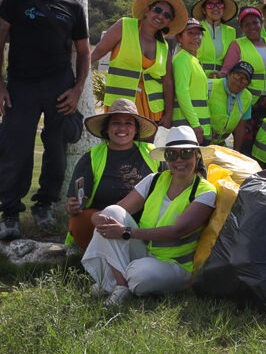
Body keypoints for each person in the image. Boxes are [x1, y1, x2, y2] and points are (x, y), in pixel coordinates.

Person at [0, 0, 90, 240]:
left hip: (60, 85)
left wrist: (77, 89)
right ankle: (9, 212)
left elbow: (83, 53)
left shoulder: (73, 7)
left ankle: (45, 204)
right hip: (21, 85)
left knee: (57, 148)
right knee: (15, 147)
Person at [81, 125, 216, 307]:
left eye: (185, 153)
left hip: (174, 265)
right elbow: (119, 209)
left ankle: (111, 282)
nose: (179, 160)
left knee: (140, 274)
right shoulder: (154, 179)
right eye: (171, 155)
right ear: (166, 158)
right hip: (144, 251)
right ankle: (121, 286)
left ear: (196, 155)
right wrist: (97, 217)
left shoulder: (206, 191)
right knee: (111, 213)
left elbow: (177, 231)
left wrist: (126, 232)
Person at [67, 99, 159, 249]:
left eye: (128, 123)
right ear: (107, 129)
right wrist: (73, 206)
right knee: (79, 221)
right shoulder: (91, 157)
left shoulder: (152, 153)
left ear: (136, 129)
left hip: (146, 221)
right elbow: (76, 200)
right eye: (116, 123)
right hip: (104, 221)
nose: (122, 128)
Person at [94, 0, 187, 126]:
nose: (161, 16)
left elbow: (168, 83)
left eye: (167, 15)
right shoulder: (124, 25)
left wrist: (168, 114)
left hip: (153, 110)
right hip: (120, 106)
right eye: (157, 10)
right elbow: (99, 50)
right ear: (147, 10)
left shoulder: (164, 46)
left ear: (169, 22)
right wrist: (77, 72)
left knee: (148, 147)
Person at [218, 7, 266, 144]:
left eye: (255, 23)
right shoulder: (237, 45)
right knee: (246, 144)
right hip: (248, 104)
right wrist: (218, 76)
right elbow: (227, 70)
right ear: (242, 28)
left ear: (261, 23)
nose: (252, 27)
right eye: (247, 24)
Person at [171, 18, 211, 144]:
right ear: (179, 38)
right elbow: (182, 93)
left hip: (198, 126)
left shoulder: (193, 59)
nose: (195, 37)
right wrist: (195, 125)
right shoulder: (181, 60)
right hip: (188, 128)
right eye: (190, 33)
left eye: (198, 34)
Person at [208, 61, 254, 150]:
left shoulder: (247, 97)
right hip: (201, 141)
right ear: (229, 74)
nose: (239, 82)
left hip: (220, 145)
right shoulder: (210, 86)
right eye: (237, 76)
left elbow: (240, 128)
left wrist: (235, 153)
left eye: (244, 80)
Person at [190, 0, 236, 76]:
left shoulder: (231, 32)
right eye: (210, 5)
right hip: (197, 77)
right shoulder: (195, 28)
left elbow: (232, 60)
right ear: (204, 10)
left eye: (219, 4)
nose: (215, 8)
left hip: (221, 81)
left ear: (223, 9)